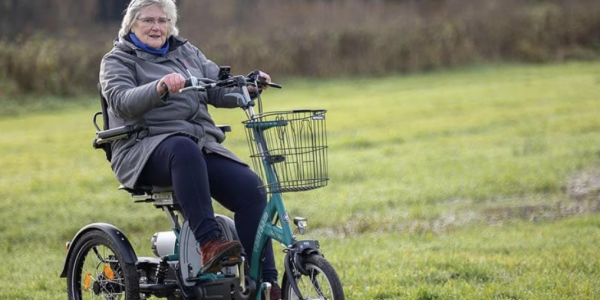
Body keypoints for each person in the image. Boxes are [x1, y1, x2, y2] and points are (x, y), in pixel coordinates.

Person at [99, 0, 281, 298]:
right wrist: (159, 87)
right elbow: (121, 101)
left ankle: (265, 284)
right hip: (141, 148)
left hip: (196, 146)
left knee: (250, 188)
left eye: (163, 20)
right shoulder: (117, 60)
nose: (157, 27)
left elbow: (215, 86)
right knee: (182, 149)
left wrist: (247, 88)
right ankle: (210, 244)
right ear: (131, 24)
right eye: (148, 20)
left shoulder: (185, 51)